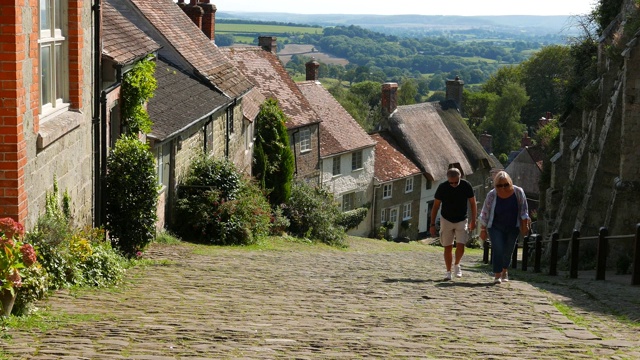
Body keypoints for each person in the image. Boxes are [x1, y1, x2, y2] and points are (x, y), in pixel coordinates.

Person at [479, 171, 530, 284]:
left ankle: (504, 270)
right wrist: (483, 229)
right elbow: (485, 212)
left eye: (506, 184)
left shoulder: (518, 192)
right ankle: (497, 274)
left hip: (513, 226)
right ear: (495, 185)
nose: (503, 188)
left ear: (510, 182)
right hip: (496, 226)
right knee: (498, 248)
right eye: (499, 185)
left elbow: (524, 210)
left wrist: (525, 224)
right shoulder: (492, 195)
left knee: (508, 250)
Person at [430, 168, 477, 281]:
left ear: (460, 177)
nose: (454, 184)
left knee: (461, 245)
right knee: (448, 247)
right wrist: (432, 224)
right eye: (451, 182)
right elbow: (435, 206)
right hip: (446, 219)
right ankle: (448, 271)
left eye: (456, 182)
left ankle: (457, 264)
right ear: (448, 180)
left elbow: (473, 203)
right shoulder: (442, 187)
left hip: (461, 219)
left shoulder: (466, 185)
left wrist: (473, 220)